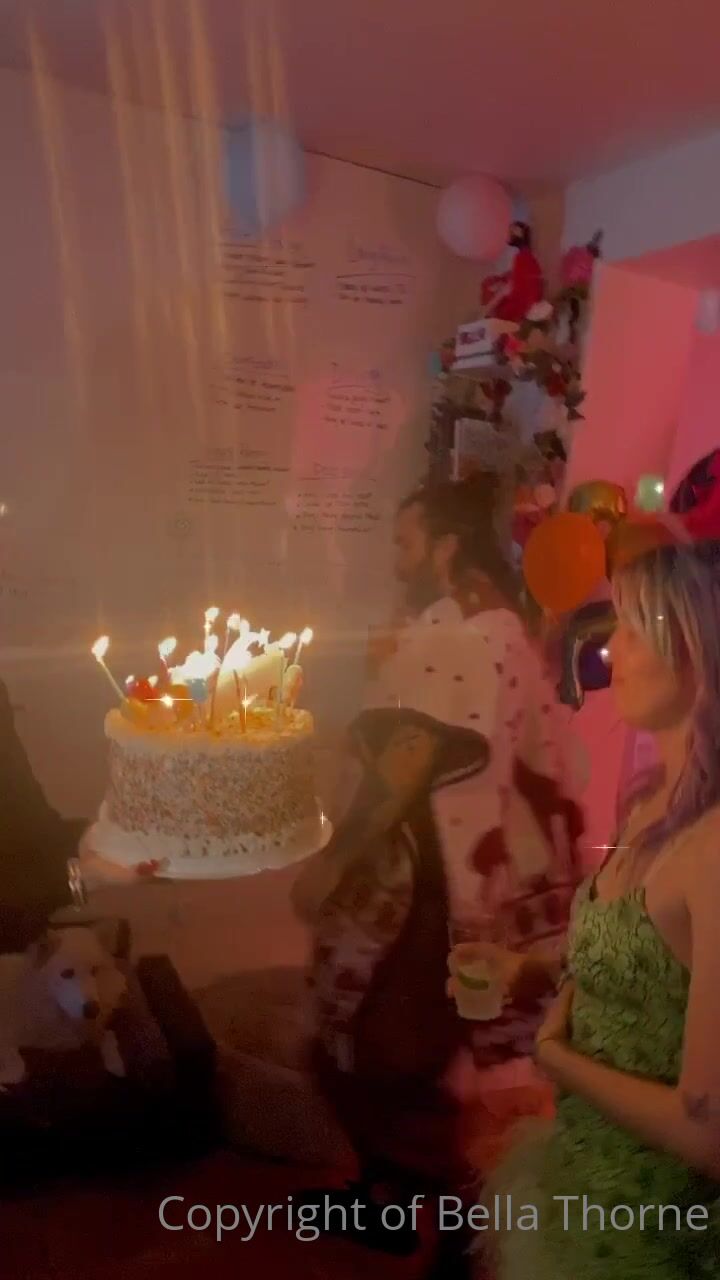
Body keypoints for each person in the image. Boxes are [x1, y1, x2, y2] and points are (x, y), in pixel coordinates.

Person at [293, 478, 583, 1268]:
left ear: (446, 547)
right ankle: (409, 1205)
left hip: (434, 892)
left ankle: (457, 1222)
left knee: (363, 1050)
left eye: (406, 542)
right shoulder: (497, 626)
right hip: (472, 886)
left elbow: (406, 763)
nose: (396, 560)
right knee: (414, 1058)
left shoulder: (460, 638)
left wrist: (330, 864)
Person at [462, 540, 720, 1279]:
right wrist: (532, 967)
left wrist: (555, 1059)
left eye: (635, 629)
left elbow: (707, 1134)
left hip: (652, 1230)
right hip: (581, 1174)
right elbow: (653, 971)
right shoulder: (649, 803)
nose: (610, 650)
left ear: (700, 649)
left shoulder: (713, 848)